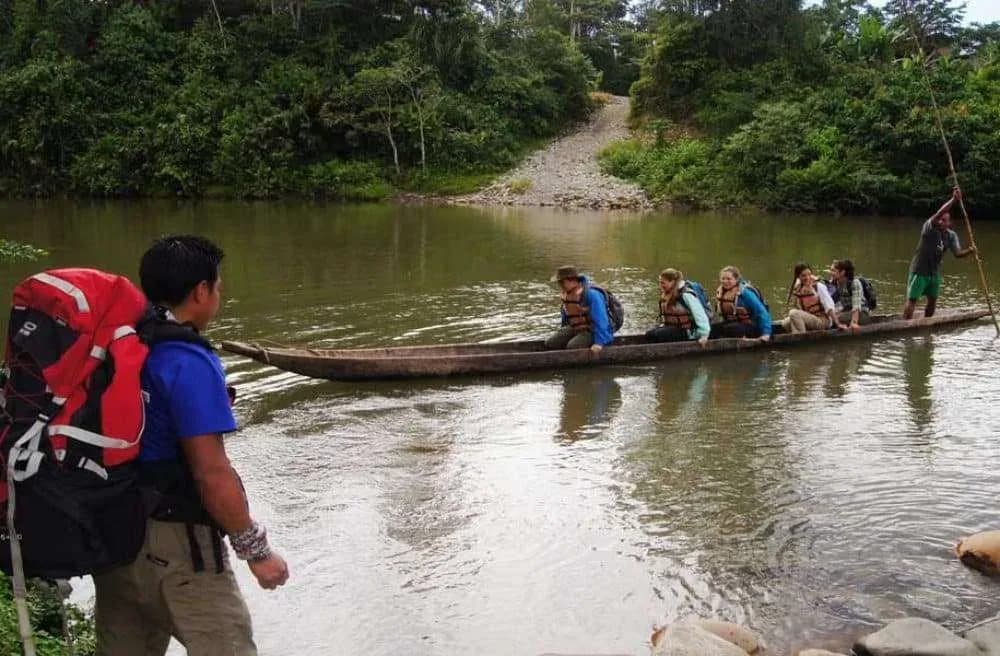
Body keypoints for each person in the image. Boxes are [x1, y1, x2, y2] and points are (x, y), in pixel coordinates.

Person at [94, 236, 289, 656]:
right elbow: (210, 470)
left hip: (115, 538)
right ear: (200, 291)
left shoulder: (120, 344)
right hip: (178, 549)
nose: (219, 295)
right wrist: (256, 551)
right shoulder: (188, 359)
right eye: (218, 287)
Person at [903, 187, 976, 319]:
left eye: (944, 220)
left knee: (932, 300)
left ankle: (927, 325)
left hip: (934, 272)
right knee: (912, 299)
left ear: (949, 223)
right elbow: (939, 212)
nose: (940, 222)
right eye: (940, 219)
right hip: (919, 270)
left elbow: (958, 254)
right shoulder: (929, 228)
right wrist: (954, 200)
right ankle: (906, 326)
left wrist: (970, 251)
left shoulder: (951, 236)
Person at [545, 265, 613, 355]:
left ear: (572, 280)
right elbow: (566, 318)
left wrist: (599, 343)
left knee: (572, 347)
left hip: (592, 331)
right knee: (550, 343)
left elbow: (601, 320)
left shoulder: (591, 294)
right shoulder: (567, 295)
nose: (560, 285)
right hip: (576, 328)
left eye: (562, 282)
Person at [645, 268, 711, 345]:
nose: (661, 285)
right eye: (660, 282)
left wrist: (704, 336)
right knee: (649, 334)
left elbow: (701, 316)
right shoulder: (668, 293)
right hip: (674, 329)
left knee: (656, 335)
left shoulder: (686, 295)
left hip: (689, 332)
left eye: (663, 283)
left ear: (672, 282)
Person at [712, 265, 772, 341]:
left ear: (736, 279)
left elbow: (762, 312)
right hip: (732, 324)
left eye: (728, 279)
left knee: (731, 329)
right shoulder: (721, 292)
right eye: (723, 279)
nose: (725, 281)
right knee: (713, 329)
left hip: (751, 326)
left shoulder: (745, 292)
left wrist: (766, 334)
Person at [779, 262, 838, 333]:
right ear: (798, 277)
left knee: (793, 313)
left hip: (823, 321)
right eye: (803, 275)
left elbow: (829, 306)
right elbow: (797, 307)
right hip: (810, 318)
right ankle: (802, 334)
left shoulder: (818, 286)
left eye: (809, 274)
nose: (807, 278)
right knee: (785, 323)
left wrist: (838, 323)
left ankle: (801, 340)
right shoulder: (798, 288)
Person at [830, 258, 869, 332]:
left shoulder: (855, 283)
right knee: (830, 317)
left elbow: (856, 306)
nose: (830, 273)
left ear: (842, 272)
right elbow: (829, 300)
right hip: (847, 311)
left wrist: (854, 322)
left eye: (833, 271)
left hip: (861, 314)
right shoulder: (836, 282)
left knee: (833, 320)